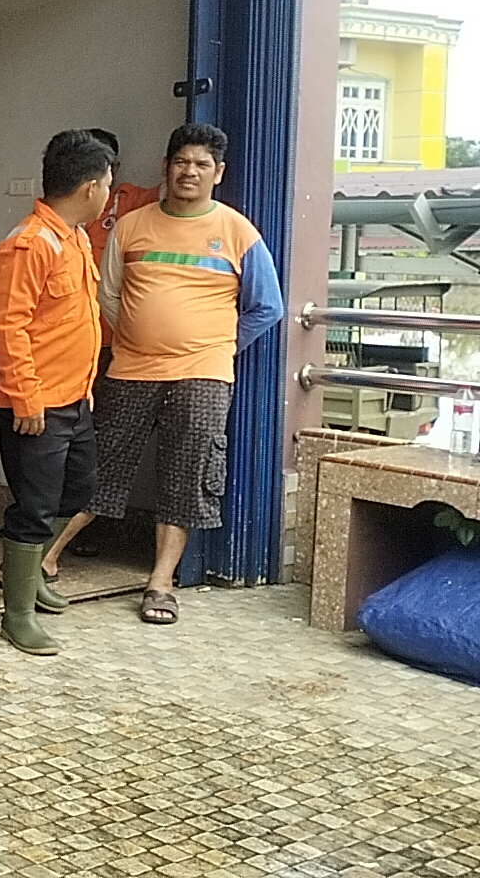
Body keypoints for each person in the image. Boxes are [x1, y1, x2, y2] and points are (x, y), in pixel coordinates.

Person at [90, 123, 283, 625]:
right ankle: (44, 559)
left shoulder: (238, 231)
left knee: (187, 474)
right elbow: (108, 294)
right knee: (97, 463)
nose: (189, 171)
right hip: (132, 366)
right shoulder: (131, 226)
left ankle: (160, 583)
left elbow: (267, 307)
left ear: (218, 173)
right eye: (181, 162)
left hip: (204, 371)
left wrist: (217, 345)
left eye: (201, 164)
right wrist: (139, 333)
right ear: (165, 167)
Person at [0, 130, 115, 655]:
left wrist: (84, 388)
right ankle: (16, 615)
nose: (109, 192)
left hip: (73, 398)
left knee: (79, 490)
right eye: (107, 183)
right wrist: (26, 397)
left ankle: (30, 572)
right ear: (89, 187)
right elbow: (5, 325)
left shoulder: (75, 237)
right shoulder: (31, 243)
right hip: (34, 404)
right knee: (34, 507)